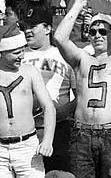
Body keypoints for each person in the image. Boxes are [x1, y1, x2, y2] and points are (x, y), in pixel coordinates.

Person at [53, 0, 111, 178]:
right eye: (93, 31)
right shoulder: (82, 58)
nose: (97, 35)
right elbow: (59, 38)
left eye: (103, 31)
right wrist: (77, 5)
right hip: (81, 134)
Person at [23, 1, 76, 173]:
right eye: (25, 26)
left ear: (47, 28)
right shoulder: (18, 55)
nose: (27, 31)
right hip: (24, 128)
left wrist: (64, 110)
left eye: (33, 26)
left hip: (59, 129)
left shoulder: (64, 55)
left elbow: (81, 95)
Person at [0, 23, 56, 177]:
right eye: (16, 53)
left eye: (22, 51)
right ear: (2, 53)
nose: (22, 56)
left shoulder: (29, 72)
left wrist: (47, 140)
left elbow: (48, 107)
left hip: (27, 148)